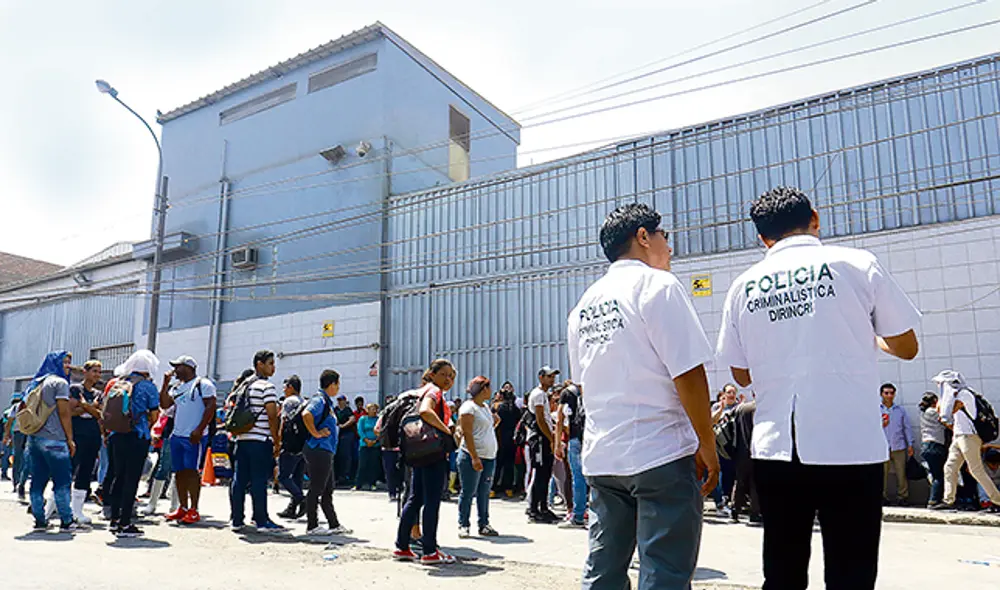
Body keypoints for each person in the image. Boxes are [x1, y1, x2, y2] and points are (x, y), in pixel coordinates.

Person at [716, 186, 921, 590]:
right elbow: (907, 346)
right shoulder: (857, 263)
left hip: (777, 447)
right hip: (849, 443)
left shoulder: (744, 285)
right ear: (815, 217)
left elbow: (739, 375)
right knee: (852, 570)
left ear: (762, 237)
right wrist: (869, 337)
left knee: (782, 569)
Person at [568, 203, 719, 590]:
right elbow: (688, 372)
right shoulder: (658, 286)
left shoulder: (584, 306)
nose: (668, 246)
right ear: (642, 237)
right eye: (664, 236)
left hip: (603, 459)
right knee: (664, 572)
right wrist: (706, 442)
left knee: (603, 569)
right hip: (660, 454)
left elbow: (584, 384)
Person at [393, 359, 458, 565]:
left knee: (415, 499)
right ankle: (430, 550)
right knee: (431, 501)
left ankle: (402, 546)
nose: (448, 379)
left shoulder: (422, 391)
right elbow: (425, 411)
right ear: (432, 374)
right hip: (432, 453)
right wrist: (446, 430)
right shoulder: (433, 392)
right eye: (444, 374)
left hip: (418, 452)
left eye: (451, 376)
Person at [108, 349, 162, 538]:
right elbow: (155, 414)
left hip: (116, 434)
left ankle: (114, 519)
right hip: (137, 436)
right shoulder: (148, 387)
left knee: (118, 476)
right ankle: (125, 523)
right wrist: (146, 425)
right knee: (132, 478)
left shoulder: (120, 383)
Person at [230, 350, 285, 534]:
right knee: (259, 481)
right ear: (259, 364)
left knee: (239, 480)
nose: (273, 367)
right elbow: (272, 416)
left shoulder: (244, 385)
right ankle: (261, 520)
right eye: (270, 363)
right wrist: (276, 440)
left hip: (241, 438)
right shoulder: (266, 386)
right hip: (260, 440)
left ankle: (236, 519)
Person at [24, 351, 79, 532]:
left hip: (34, 438)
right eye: (65, 362)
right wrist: (70, 438)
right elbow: (64, 413)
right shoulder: (60, 383)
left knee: (38, 480)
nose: (68, 366)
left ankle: (40, 520)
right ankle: (66, 520)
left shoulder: (36, 382)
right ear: (56, 363)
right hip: (55, 440)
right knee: (62, 481)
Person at [159, 355, 216, 525]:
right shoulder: (178, 387)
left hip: (193, 436)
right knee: (179, 472)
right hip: (177, 435)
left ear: (188, 367)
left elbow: (211, 405)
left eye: (178, 367)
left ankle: (194, 508)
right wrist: (165, 384)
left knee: (192, 472)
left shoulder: (202, 384)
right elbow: (164, 405)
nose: (175, 370)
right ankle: (182, 507)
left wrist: (199, 429)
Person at [932, 370, 1000, 511]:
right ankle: (948, 500)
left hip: (969, 437)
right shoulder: (954, 396)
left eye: (942, 384)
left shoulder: (964, 394)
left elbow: (948, 411)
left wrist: (941, 403)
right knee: (950, 467)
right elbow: (945, 418)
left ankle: (997, 500)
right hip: (959, 436)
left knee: (976, 470)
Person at [302, 369, 352, 536]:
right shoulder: (319, 400)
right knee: (316, 488)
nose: (338, 388)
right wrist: (316, 433)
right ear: (331, 384)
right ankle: (312, 525)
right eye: (337, 384)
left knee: (328, 489)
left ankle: (333, 524)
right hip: (318, 449)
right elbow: (306, 414)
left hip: (326, 450)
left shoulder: (327, 402)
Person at [457, 376, 500, 538]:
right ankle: (463, 524)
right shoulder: (469, 407)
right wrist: (474, 457)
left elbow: (485, 428)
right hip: (472, 455)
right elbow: (467, 433)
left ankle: (484, 523)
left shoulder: (485, 407)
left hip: (489, 456)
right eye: (488, 387)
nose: (491, 391)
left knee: (484, 491)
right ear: (483, 389)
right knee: (468, 491)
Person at [68, 359, 103, 525]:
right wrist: (90, 407)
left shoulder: (98, 393)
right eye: (94, 371)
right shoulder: (75, 389)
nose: (96, 374)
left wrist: (85, 406)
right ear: (85, 371)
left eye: (98, 371)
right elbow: (71, 412)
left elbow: (99, 415)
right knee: (70, 469)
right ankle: (57, 506)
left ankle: (78, 510)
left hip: (93, 437)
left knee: (86, 472)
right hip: (77, 435)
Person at [526, 365, 560, 524]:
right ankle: (534, 509)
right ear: (541, 377)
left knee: (546, 474)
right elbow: (540, 419)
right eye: (549, 376)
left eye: (553, 377)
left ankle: (544, 507)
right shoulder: (538, 394)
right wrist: (551, 438)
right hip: (539, 439)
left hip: (544, 438)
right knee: (539, 474)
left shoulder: (545, 395)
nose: (552, 379)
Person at [554, 382, 587, 528]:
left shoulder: (567, 393)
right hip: (592, 438)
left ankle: (578, 515)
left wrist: (557, 444)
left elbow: (560, 418)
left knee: (577, 478)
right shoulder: (591, 386)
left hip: (575, 438)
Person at [879, 383, 915, 506]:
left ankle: (903, 497)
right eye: (886, 393)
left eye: (891, 393)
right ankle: (882, 497)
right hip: (882, 447)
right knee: (882, 474)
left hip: (898, 446)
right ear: (881, 394)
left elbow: (907, 428)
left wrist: (910, 444)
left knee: (901, 473)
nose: (889, 396)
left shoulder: (900, 410)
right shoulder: (876, 410)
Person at [276, 375, 306, 519]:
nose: (283, 390)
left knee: (283, 477)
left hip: (290, 444)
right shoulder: (304, 402)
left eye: (285, 387)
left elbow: (284, 423)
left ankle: (301, 499)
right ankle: (292, 509)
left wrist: (278, 441)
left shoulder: (288, 402)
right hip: (303, 446)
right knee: (297, 477)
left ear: (291, 387)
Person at [730, 396, 761, 525]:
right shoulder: (758, 409)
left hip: (740, 450)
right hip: (755, 450)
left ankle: (734, 510)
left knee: (740, 481)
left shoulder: (741, 408)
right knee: (755, 482)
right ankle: (754, 513)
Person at [919, 392, 948, 507]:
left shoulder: (924, 412)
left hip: (928, 446)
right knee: (938, 475)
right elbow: (946, 419)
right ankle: (934, 500)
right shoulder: (932, 412)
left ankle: (936, 499)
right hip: (934, 446)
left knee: (935, 474)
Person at [491, 384, 520, 499]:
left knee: (497, 464)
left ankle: (493, 488)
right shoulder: (516, 409)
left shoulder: (497, 407)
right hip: (512, 439)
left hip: (499, 439)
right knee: (509, 464)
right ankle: (508, 488)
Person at [354, 402, 381, 491]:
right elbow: (360, 430)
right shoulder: (363, 419)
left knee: (373, 465)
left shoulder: (378, 420)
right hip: (364, 445)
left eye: (375, 409)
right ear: (367, 410)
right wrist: (366, 440)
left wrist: (375, 440)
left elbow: (380, 430)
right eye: (371, 409)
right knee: (362, 464)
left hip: (375, 445)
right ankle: (358, 484)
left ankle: (372, 483)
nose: (373, 411)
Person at [333, 394, 358, 487]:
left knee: (345, 455)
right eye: (339, 400)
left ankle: (345, 476)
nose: (340, 402)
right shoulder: (335, 409)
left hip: (346, 434)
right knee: (336, 455)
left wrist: (343, 426)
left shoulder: (348, 410)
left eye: (342, 400)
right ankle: (337, 476)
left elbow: (352, 419)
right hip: (336, 434)